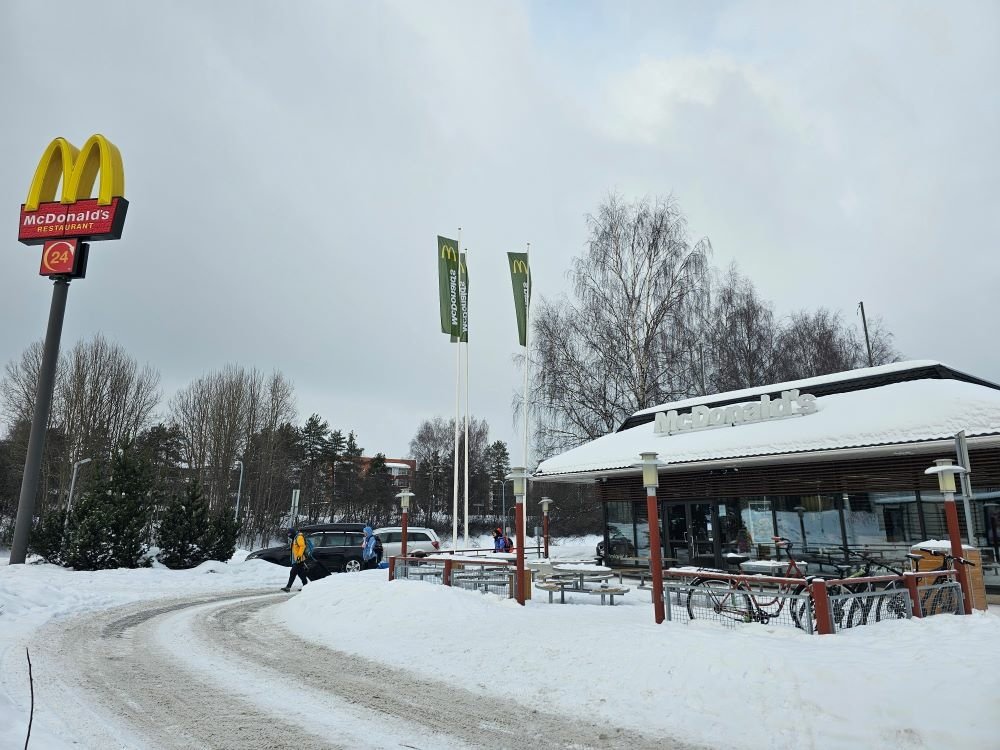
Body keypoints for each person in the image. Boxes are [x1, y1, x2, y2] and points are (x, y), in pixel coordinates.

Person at [281, 528, 310, 592]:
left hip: (299, 559)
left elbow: (302, 546)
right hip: (297, 560)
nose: (289, 535)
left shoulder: (299, 537)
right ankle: (306, 587)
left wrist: (299, 556)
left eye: (289, 534)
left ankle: (288, 587)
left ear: (293, 533)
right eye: (288, 534)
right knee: (301, 574)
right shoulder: (295, 538)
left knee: (292, 573)